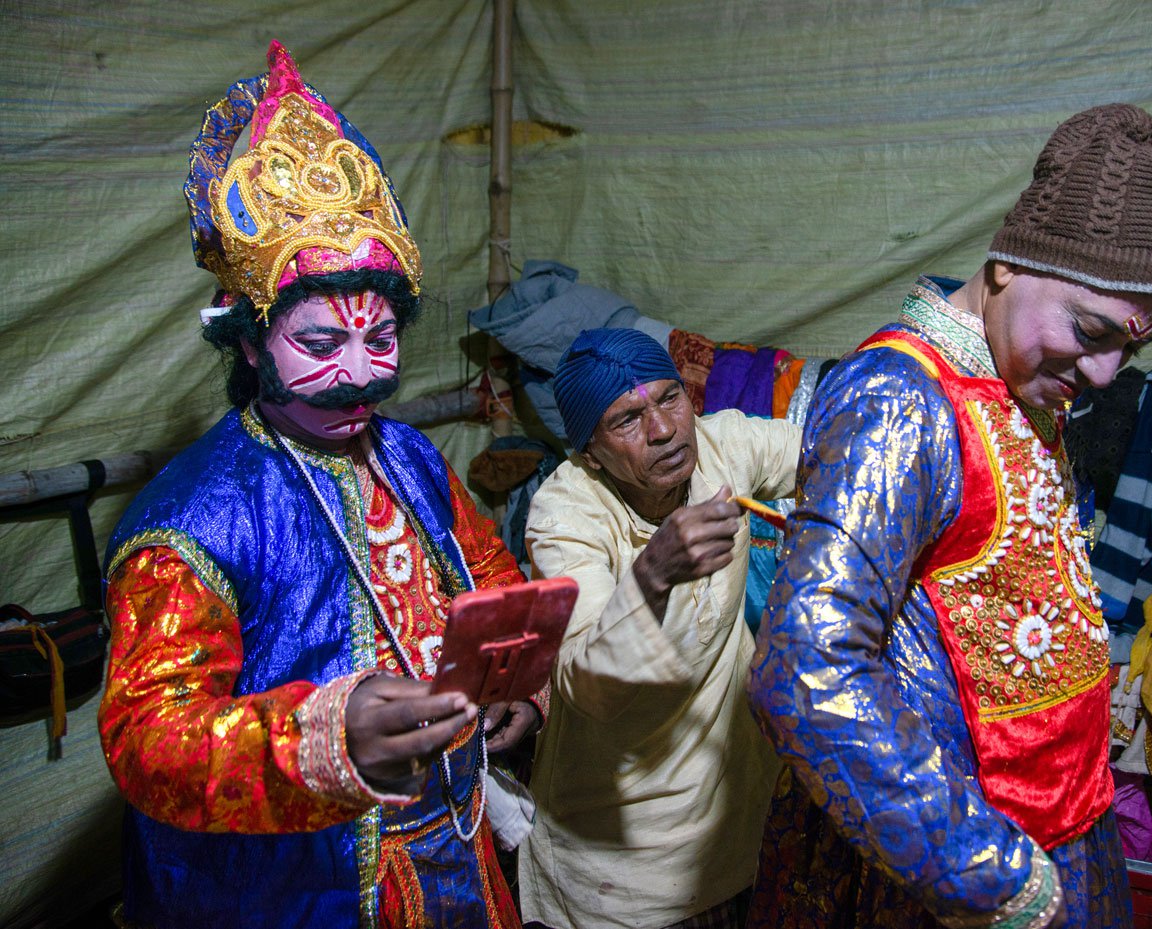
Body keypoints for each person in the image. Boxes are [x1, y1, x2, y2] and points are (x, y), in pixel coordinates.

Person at [99, 42, 540, 929]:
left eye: (380, 339)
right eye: (319, 344)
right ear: (252, 342)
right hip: (304, 883)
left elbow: (489, 575)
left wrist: (515, 685)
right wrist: (324, 740)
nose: (360, 375)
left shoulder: (408, 454)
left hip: (454, 846)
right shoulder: (193, 518)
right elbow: (147, 737)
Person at [746, 103, 1152, 928]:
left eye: (1128, 350)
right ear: (1005, 267)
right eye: (1089, 329)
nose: (1105, 373)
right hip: (953, 858)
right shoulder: (900, 398)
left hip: (1059, 824)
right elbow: (804, 668)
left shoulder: (1026, 391)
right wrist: (984, 873)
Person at [517, 327, 801, 929]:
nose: (664, 430)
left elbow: (838, 448)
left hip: (740, 817)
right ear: (589, 453)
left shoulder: (724, 447)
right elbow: (588, 686)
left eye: (670, 399)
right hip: (623, 865)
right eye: (626, 420)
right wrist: (651, 575)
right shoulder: (566, 513)